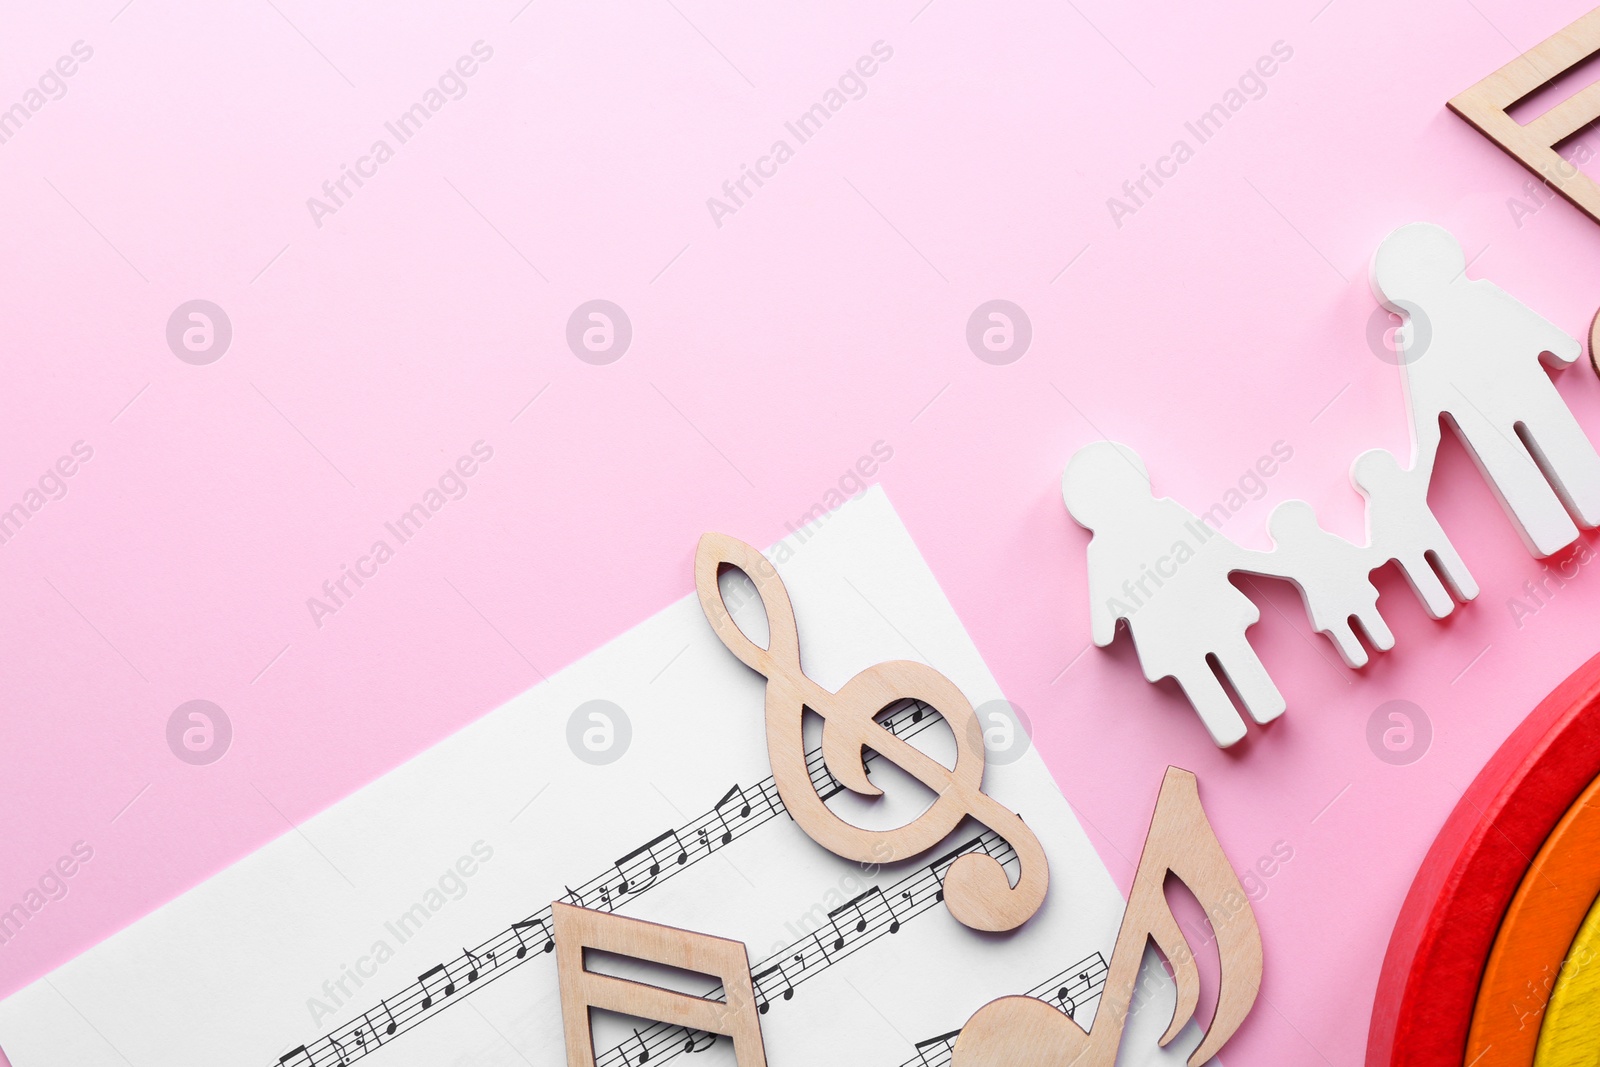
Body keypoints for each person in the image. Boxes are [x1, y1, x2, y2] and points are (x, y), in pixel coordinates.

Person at [1372, 222, 1600, 557]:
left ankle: (1558, 525)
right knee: (1552, 455)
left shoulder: (1416, 336)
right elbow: (1556, 344)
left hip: (1490, 417)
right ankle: (1581, 507)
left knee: (1523, 477)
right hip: (1525, 397)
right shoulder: (1474, 299)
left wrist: (1424, 455)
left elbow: (1428, 406)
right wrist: (1562, 348)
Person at [1062, 441, 1284, 747]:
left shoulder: (1104, 548)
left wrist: (1112, 621)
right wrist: (1250, 559)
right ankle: (1258, 708)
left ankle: (1243, 719)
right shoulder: (1154, 518)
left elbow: (1104, 631)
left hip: (1175, 633)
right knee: (1222, 659)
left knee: (1206, 669)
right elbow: (1216, 548)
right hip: (1200, 617)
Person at [1350, 447, 1478, 618]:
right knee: (1435, 567)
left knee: (1429, 571)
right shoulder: (1402, 488)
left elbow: (1380, 537)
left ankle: (1449, 599)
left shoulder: (1380, 505)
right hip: (1419, 543)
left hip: (1414, 547)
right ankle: (1455, 595)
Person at [1264, 500, 1393, 668]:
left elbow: (1264, 564)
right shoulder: (1322, 545)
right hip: (1344, 597)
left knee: (1351, 624)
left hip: (1338, 599)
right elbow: (1356, 557)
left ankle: (1374, 645)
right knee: (1353, 623)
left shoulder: (1293, 557)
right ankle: (1372, 646)